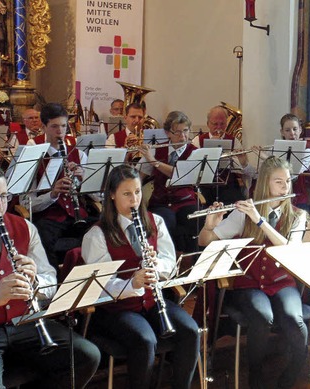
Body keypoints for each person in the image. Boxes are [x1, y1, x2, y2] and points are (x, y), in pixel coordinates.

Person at [0, 163, 100, 389]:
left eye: (4, 196)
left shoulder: (24, 227)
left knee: (85, 355)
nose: (0, 206)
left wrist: (35, 281)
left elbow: (50, 282)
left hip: (25, 323)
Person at [81, 164, 200, 389]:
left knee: (190, 332)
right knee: (145, 341)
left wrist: (158, 268)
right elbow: (101, 285)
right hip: (118, 308)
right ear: (113, 195)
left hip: (153, 300)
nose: (134, 199)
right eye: (127, 194)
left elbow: (169, 263)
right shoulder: (97, 234)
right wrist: (131, 283)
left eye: (137, 192)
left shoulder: (155, 221)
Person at [198, 156, 308, 389]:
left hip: (282, 282)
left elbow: (290, 250)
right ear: (265, 184)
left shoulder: (298, 215)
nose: (285, 187)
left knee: (294, 319)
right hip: (249, 283)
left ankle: (291, 375)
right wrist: (209, 225)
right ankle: (255, 375)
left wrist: (260, 221)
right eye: (278, 182)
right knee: (262, 316)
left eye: (287, 181)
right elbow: (205, 242)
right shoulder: (243, 212)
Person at [24, 103, 95, 268]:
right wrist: (53, 194)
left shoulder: (78, 154)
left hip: (78, 215)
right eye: (54, 126)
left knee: (103, 229)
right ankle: (53, 283)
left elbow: (98, 195)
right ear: (43, 127)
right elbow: (27, 204)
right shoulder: (34, 157)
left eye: (64, 126)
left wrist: (84, 178)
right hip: (49, 218)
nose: (60, 132)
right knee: (43, 235)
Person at [139, 110, 200, 254]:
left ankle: (192, 263)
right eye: (177, 132)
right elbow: (138, 178)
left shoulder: (195, 152)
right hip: (161, 202)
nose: (183, 136)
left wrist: (154, 162)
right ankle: (166, 263)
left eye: (185, 131)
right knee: (164, 221)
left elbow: (179, 174)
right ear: (168, 133)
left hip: (185, 200)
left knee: (195, 219)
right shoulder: (154, 150)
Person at [194, 105, 250, 205]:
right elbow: (194, 166)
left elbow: (242, 168)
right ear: (208, 124)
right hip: (205, 184)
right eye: (215, 124)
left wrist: (242, 161)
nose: (219, 128)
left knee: (238, 204)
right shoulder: (197, 140)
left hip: (228, 184)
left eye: (222, 124)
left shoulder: (234, 141)